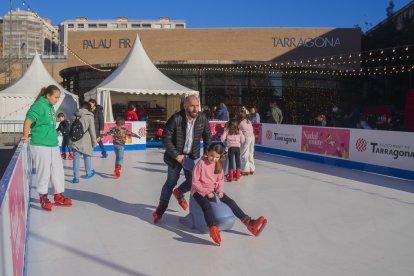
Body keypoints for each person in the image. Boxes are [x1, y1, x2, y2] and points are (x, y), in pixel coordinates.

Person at [191, 144, 267, 245]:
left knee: (230, 202)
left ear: (220, 157)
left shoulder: (219, 165)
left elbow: (220, 180)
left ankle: (249, 223)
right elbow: (195, 182)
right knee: (206, 205)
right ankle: (213, 228)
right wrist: (205, 192)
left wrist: (219, 191)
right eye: (212, 156)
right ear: (207, 152)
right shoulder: (201, 163)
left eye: (217, 157)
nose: (214, 159)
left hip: (213, 191)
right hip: (198, 191)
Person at [153, 95, 212, 223]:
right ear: (185, 106)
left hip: (192, 156)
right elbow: (166, 138)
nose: (195, 109)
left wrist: (207, 151)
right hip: (175, 157)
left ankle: (179, 192)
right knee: (170, 182)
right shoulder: (176, 118)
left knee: (193, 182)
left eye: (197, 106)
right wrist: (176, 155)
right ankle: (160, 210)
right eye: (192, 106)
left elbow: (208, 135)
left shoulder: (202, 118)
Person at [21, 85, 72, 211]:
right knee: (44, 171)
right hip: (40, 143)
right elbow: (28, 120)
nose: (57, 100)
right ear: (48, 95)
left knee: (57, 170)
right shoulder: (39, 105)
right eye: (55, 97)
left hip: (52, 143)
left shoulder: (50, 107)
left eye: (58, 98)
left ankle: (58, 195)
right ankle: (43, 196)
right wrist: (25, 136)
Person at [71, 102, 97, 184]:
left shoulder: (75, 115)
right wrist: (94, 142)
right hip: (85, 140)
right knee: (87, 157)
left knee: (76, 159)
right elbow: (92, 131)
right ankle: (88, 173)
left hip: (75, 140)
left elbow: (71, 128)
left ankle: (76, 178)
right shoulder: (89, 117)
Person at [237, 110, 255, 175]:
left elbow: (237, 132)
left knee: (244, 153)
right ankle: (252, 169)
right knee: (250, 153)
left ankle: (245, 170)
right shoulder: (248, 121)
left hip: (246, 138)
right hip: (252, 137)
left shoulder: (240, 123)